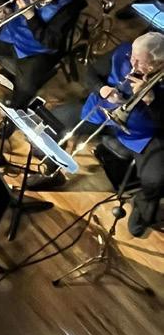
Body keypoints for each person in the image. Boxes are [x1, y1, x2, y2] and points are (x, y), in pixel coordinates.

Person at [29, 33, 164, 237]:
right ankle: (51, 170)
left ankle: (143, 208)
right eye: (133, 57)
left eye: (140, 62)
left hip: (141, 133)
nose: (133, 63)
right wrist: (102, 89)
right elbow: (91, 73)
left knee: (156, 178)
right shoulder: (124, 51)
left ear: (158, 64)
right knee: (50, 123)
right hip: (102, 113)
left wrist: (151, 100)